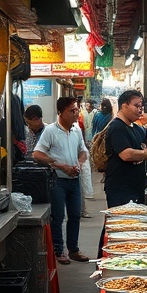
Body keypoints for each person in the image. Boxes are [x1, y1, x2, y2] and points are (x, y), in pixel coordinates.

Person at [33, 96, 90, 264]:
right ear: (60, 112)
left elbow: (83, 151)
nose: (76, 113)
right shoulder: (50, 131)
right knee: (58, 217)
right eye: (72, 110)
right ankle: (59, 251)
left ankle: (74, 250)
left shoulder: (76, 130)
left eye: (77, 109)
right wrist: (60, 165)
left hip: (74, 179)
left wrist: (78, 163)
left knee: (75, 215)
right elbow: (37, 154)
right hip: (57, 180)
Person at [104, 89, 147, 208]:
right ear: (124, 106)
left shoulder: (138, 129)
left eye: (141, 106)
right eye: (136, 106)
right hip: (120, 189)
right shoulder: (117, 127)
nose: (140, 109)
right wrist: (146, 154)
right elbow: (126, 154)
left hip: (137, 187)